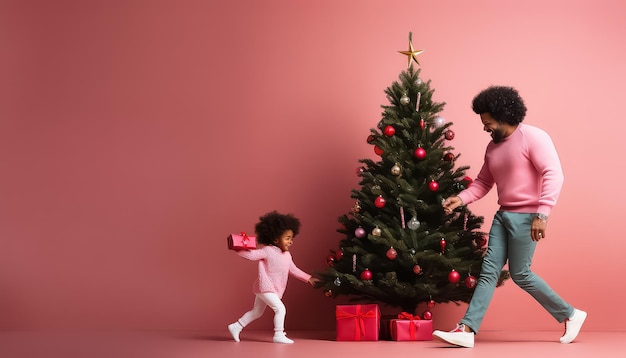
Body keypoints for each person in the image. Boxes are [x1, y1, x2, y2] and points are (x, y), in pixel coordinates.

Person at [432, 86, 586, 348]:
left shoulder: (533, 137)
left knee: (521, 274)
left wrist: (543, 214)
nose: (484, 127)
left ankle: (571, 314)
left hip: (528, 217)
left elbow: (553, 174)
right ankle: (466, 330)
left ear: (503, 115)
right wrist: (461, 199)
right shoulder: (493, 148)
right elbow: (482, 182)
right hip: (503, 216)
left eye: (487, 121)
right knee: (488, 271)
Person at [227, 211, 320, 344]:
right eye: (287, 238)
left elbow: (293, 269)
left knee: (257, 312)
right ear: (276, 239)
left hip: (270, 289)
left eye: (292, 238)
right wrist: (238, 247)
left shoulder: (287, 255)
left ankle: (236, 326)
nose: (291, 242)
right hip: (265, 287)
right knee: (280, 309)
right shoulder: (268, 251)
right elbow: (252, 255)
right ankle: (278, 334)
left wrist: (309, 278)